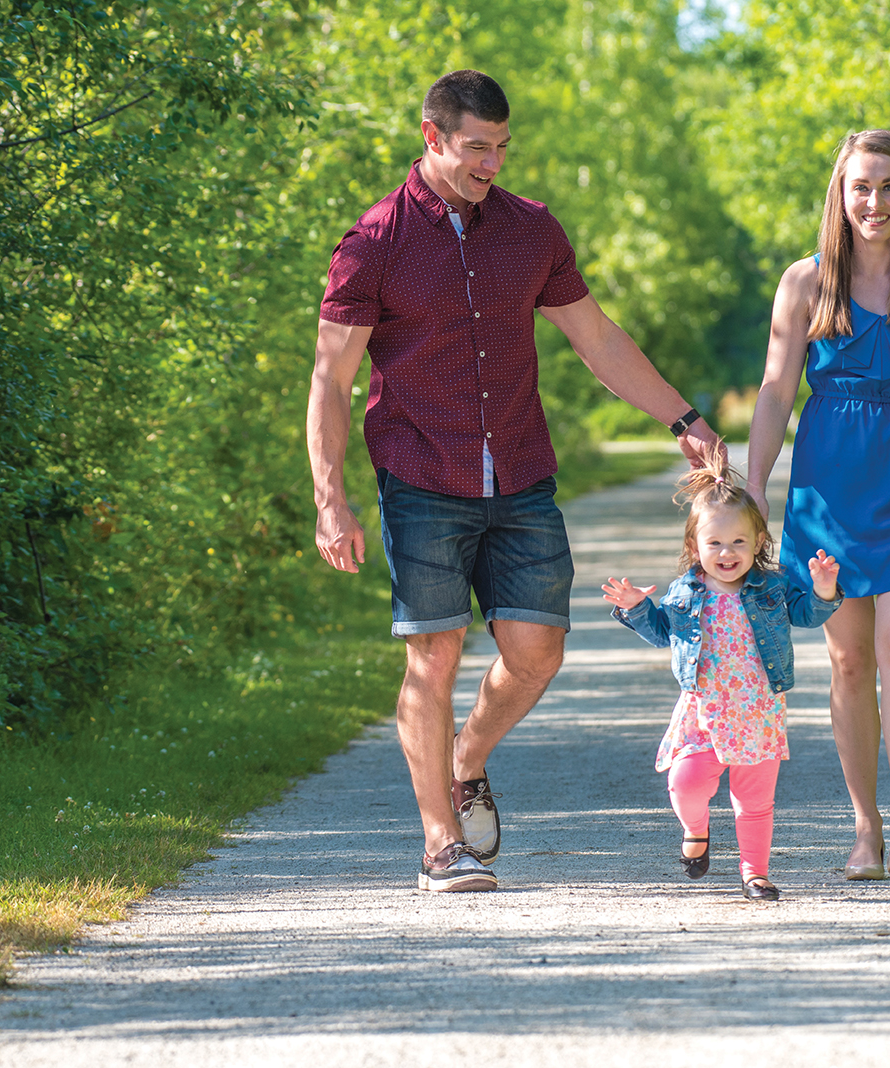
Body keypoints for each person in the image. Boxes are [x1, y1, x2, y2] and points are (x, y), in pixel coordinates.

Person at [306, 70, 722, 893]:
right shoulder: (374, 242)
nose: (492, 162)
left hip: (521, 473)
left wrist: (685, 420)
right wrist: (331, 497)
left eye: (501, 147)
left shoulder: (531, 231)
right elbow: (332, 378)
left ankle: (467, 756)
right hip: (420, 471)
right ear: (432, 138)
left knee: (537, 653)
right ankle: (439, 844)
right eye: (475, 148)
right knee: (435, 655)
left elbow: (597, 340)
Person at [745, 130, 890, 883]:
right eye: (861, 187)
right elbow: (776, 392)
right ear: (839, 195)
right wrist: (753, 494)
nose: (874, 202)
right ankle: (865, 829)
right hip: (829, 485)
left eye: (889, 187)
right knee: (847, 658)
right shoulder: (803, 283)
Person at [601, 453, 842, 900]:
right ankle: (696, 829)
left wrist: (824, 589)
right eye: (715, 544)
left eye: (738, 542)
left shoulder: (771, 587)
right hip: (703, 714)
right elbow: (660, 635)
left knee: (754, 803)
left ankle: (755, 873)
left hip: (758, 712)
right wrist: (636, 605)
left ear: (758, 544)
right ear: (696, 547)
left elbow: (808, 615)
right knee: (685, 781)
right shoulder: (685, 592)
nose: (727, 553)